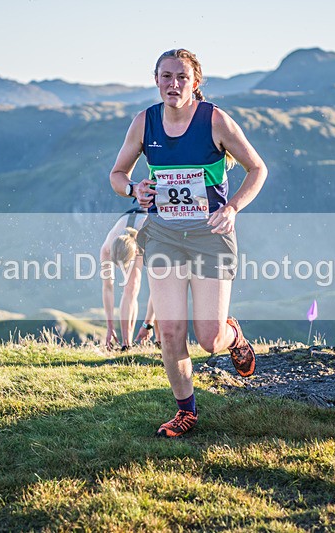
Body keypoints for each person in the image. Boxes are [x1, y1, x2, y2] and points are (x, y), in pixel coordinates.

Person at [109, 48, 268, 437]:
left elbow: (257, 169)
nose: (173, 84)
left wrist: (231, 209)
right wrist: (134, 189)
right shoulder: (144, 123)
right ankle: (187, 411)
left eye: (181, 77)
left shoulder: (215, 120)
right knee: (170, 332)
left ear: (196, 83)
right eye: (166, 76)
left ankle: (233, 335)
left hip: (210, 235)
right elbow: (117, 174)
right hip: (163, 234)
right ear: (156, 80)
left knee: (209, 339)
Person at [100, 207, 156, 350]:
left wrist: (147, 324)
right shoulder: (107, 248)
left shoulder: (149, 241)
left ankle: (160, 341)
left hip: (146, 226)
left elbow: (158, 290)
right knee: (129, 287)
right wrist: (110, 326)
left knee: (134, 285)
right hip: (128, 223)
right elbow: (107, 287)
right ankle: (127, 343)